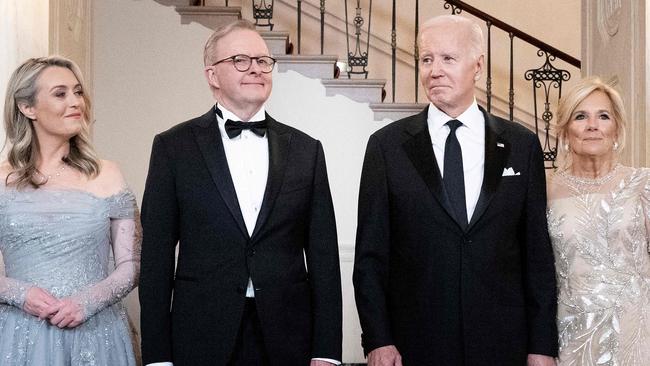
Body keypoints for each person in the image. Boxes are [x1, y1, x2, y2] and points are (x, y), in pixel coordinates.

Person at [353, 15, 558, 366]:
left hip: (503, 344)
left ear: (478, 66)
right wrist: (378, 339)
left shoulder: (521, 145)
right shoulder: (386, 147)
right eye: (427, 59)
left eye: (448, 58)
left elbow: (536, 255)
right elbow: (371, 256)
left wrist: (542, 345)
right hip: (414, 344)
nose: (434, 70)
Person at [139, 19, 342, 366]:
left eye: (263, 61)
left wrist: (327, 351)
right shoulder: (173, 148)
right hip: (201, 336)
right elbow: (156, 260)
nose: (256, 69)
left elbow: (324, 258)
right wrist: (158, 357)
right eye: (240, 60)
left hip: (288, 337)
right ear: (212, 75)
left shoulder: (306, 150)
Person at [0, 56, 141, 365]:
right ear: (28, 107)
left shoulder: (108, 174)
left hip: (96, 333)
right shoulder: (1, 181)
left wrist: (86, 303)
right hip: (19, 334)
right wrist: (22, 295)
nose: (76, 102)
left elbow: (131, 265)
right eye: (60, 93)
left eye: (78, 92)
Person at [547, 76, 650, 365]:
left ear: (616, 128)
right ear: (566, 130)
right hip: (570, 335)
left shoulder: (643, 183)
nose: (592, 125)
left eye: (603, 116)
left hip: (637, 333)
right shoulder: (544, 188)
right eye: (581, 116)